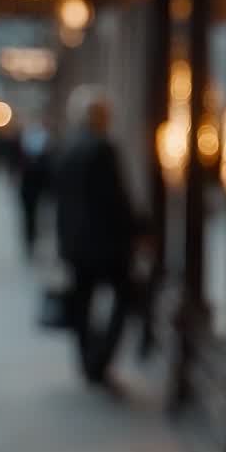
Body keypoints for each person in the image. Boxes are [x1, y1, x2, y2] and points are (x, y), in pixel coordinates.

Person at [55, 87, 137, 387]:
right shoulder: (102, 150)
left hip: (76, 244)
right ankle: (98, 359)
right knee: (124, 297)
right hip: (104, 244)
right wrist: (139, 230)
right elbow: (114, 200)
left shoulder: (68, 147)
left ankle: (88, 360)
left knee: (83, 302)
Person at [15, 118, 52, 255]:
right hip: (30, 186)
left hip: (32, 186)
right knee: (30, 213)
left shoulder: (33, 153)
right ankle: (31, 235)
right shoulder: (33, 152)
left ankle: (31, 235)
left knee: (31, 213)